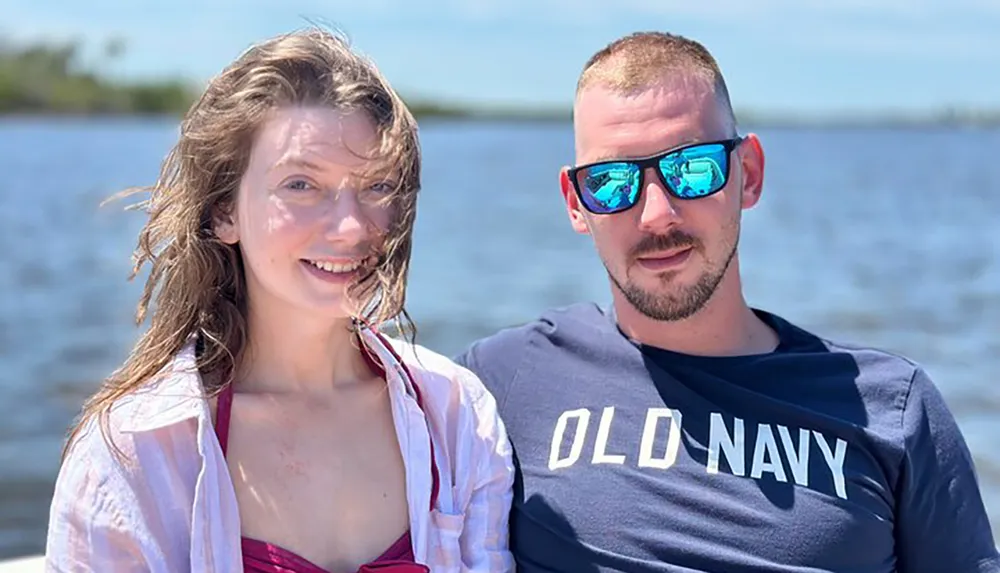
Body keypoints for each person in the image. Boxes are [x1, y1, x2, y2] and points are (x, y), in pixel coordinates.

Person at [454, 31, 999, 573]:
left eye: (692, 169)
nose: (656, 215)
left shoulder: (892, 410)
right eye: (611, 183)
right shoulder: (501, 384)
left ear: (749, 175)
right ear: (576, 204)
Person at [45, 28, 514, 573]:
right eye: (301, 185)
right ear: (224, 212)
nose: (351, 226)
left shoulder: (457, 415)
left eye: (377, 186)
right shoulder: (135, 453)